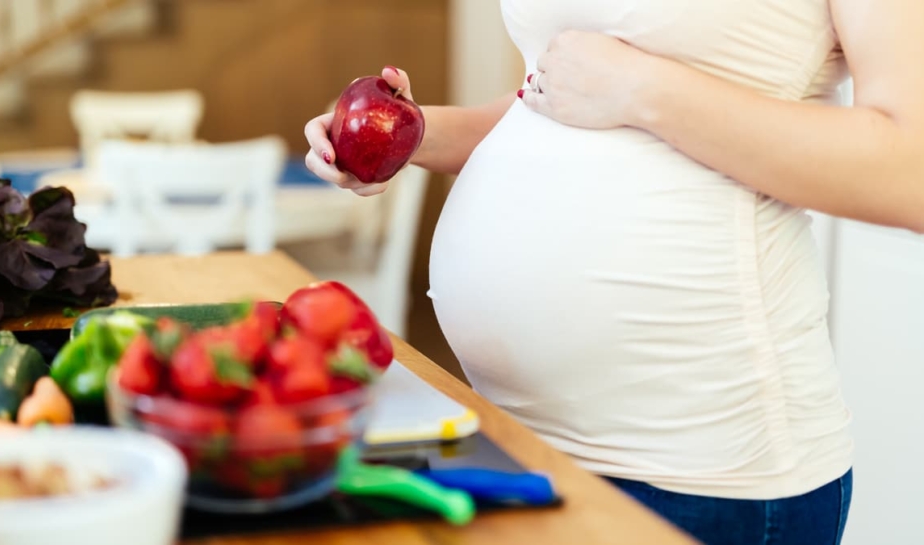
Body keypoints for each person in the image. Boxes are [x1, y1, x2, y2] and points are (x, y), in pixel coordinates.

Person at [304, 1, 924, 543]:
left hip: (697, 477)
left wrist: (643, 89)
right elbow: (557, 94)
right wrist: (415, 132)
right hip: (514, 439)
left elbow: (908, 171)